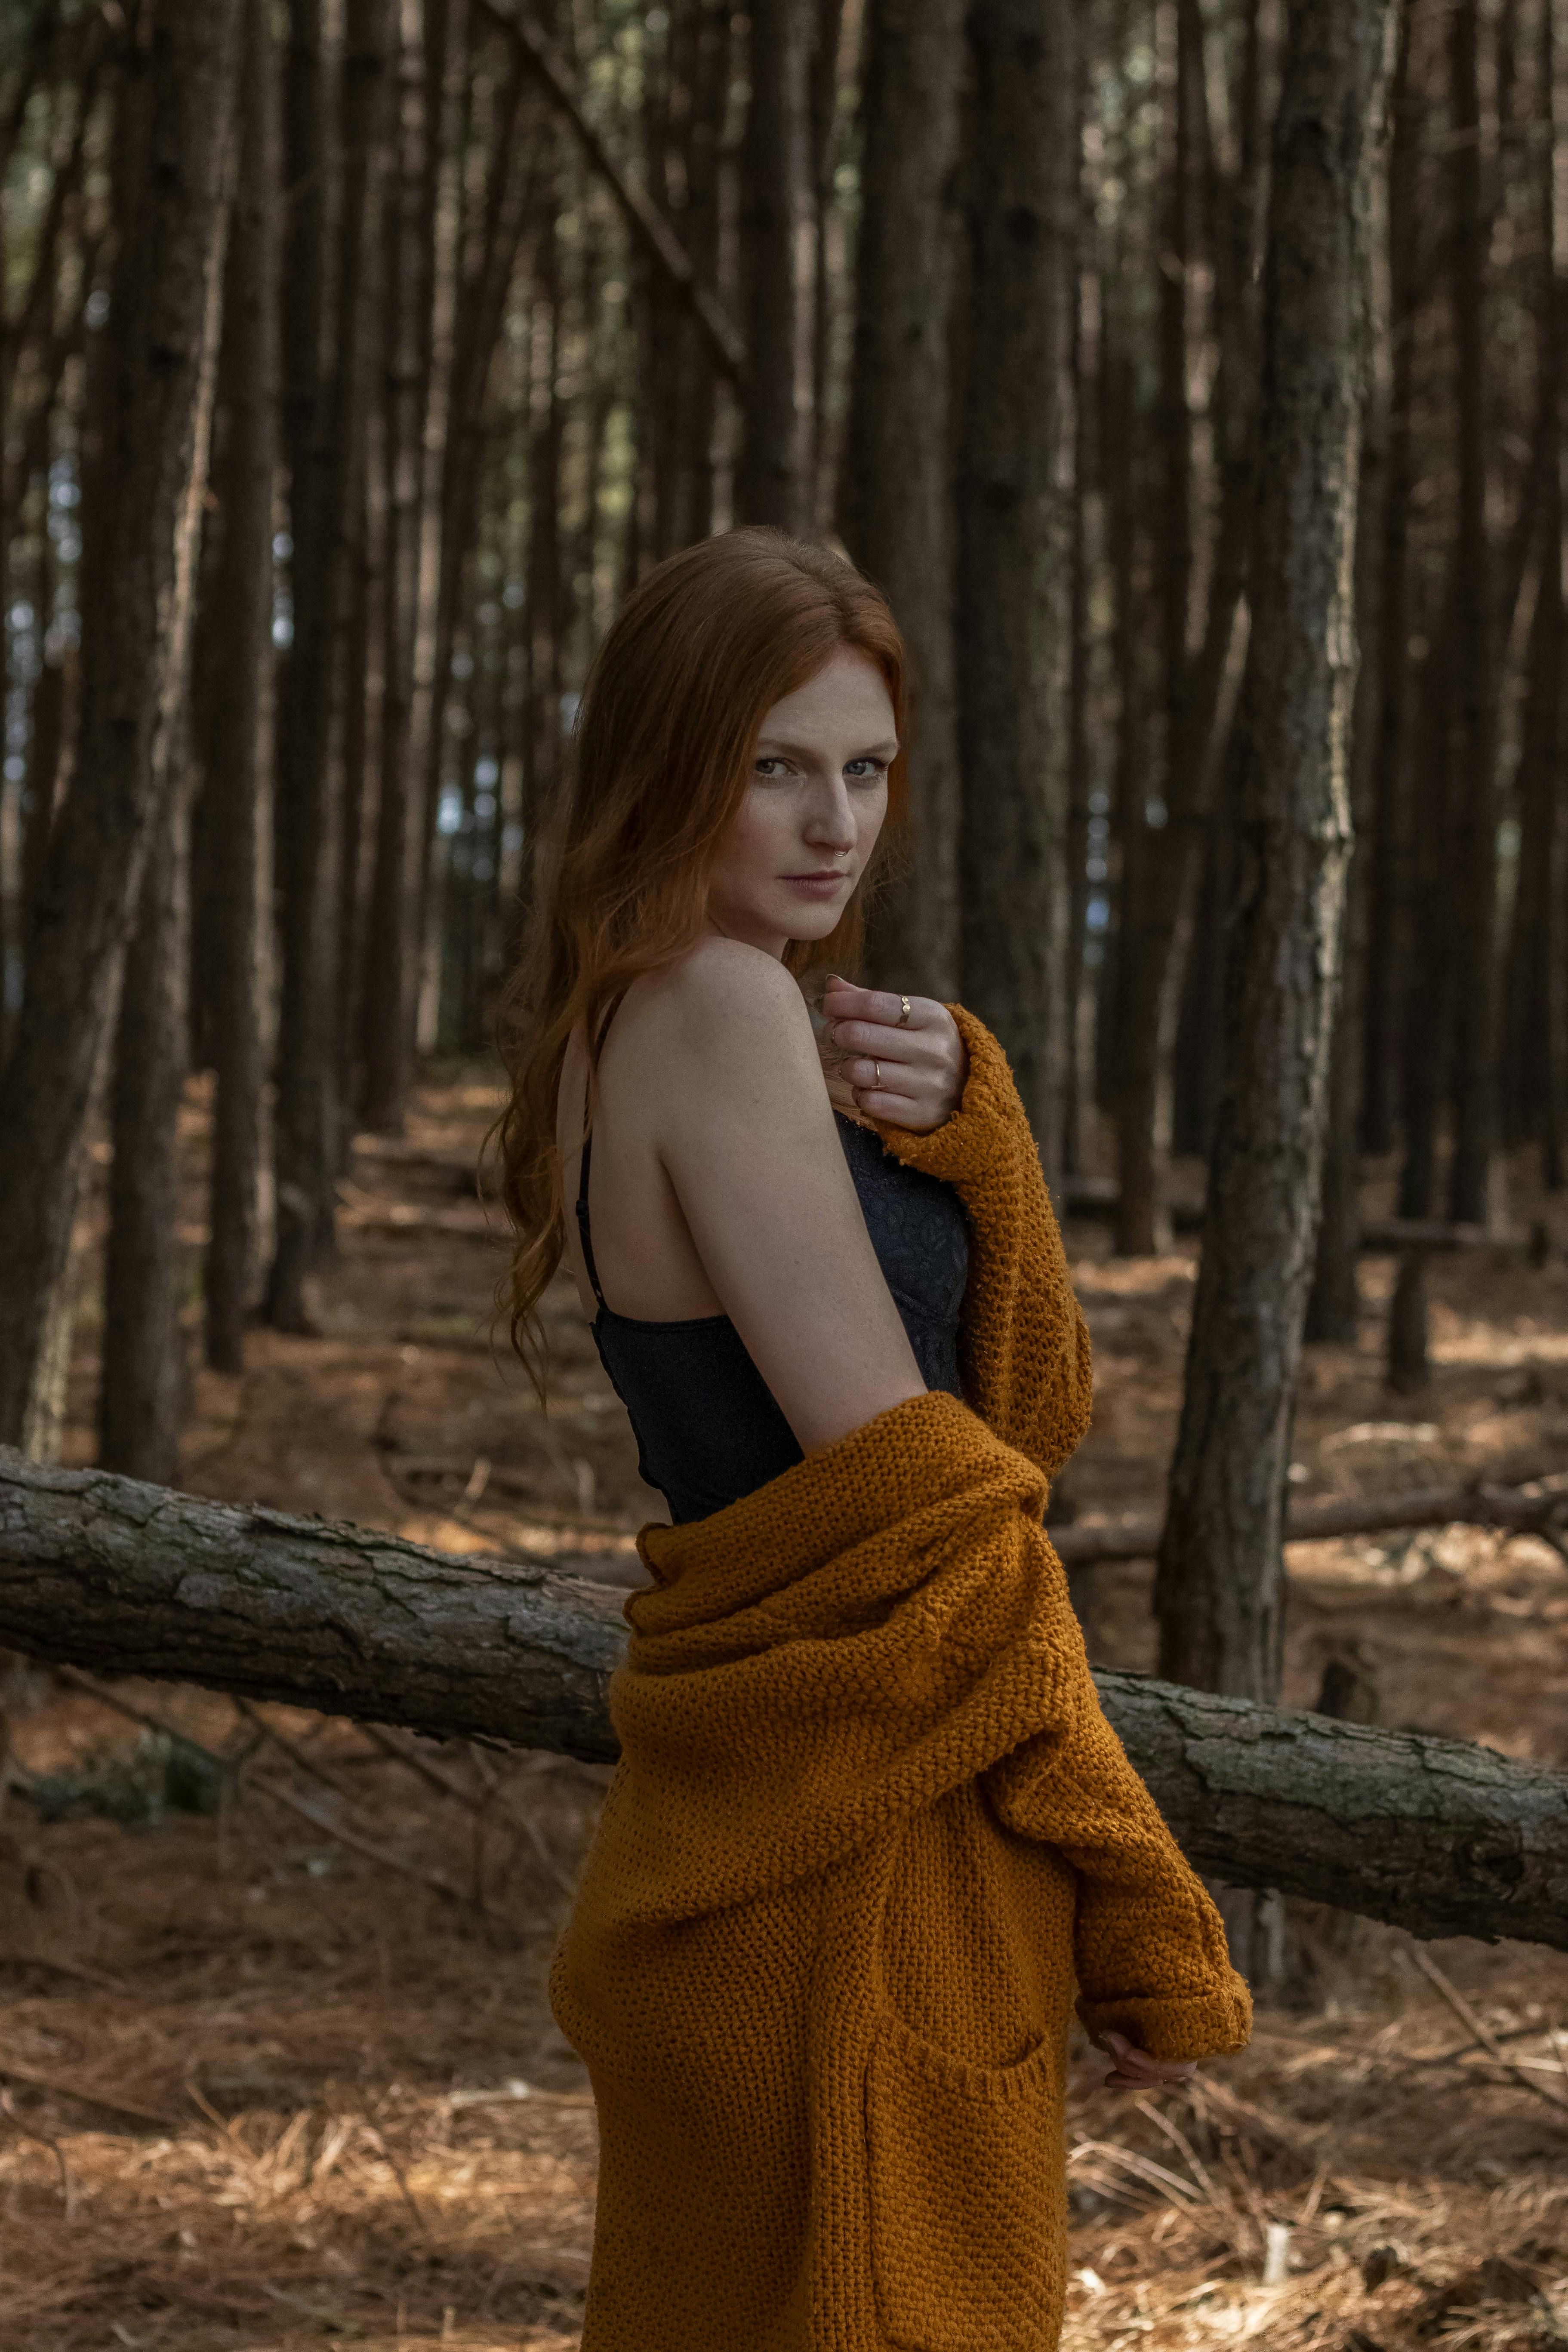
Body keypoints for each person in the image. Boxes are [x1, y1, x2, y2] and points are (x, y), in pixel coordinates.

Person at [495, 528, 1251, 2352]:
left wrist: (984, 1146)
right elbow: (931, 1496)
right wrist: (1138, 1885)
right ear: (669, 759)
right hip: (839, 1871)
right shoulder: (719, 1004)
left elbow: (1030, 1423)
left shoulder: (653, 1007)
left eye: (864, 766)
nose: (834, 821)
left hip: (801, 1832)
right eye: (773, 763)